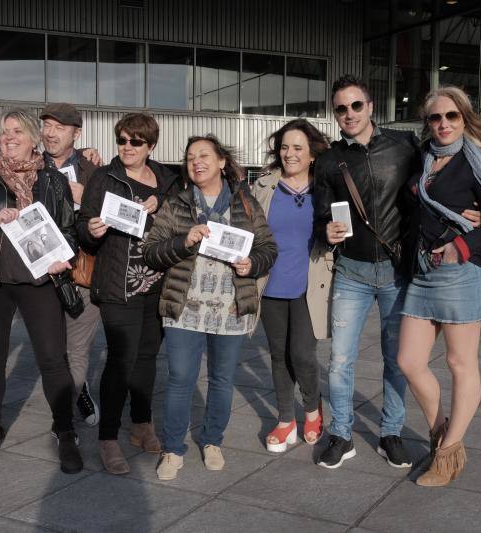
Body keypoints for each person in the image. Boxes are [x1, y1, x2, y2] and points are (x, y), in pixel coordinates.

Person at [396, 86, 481, 487]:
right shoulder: (421, 158)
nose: (444, 124)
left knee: (459, 363)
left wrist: (462, 244)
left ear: (464, 119)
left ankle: (449, 454)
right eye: (436, 118)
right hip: (422, 271)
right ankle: (441, 432)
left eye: (452, 116)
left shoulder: (477, 161)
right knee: (409, 362)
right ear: (427, 123)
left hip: (460, 271)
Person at [0, 109, 83, 474]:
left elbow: (70, 230)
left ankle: (65, 431)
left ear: (33, 138)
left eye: (17, 131)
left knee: (53, 360)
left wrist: (62, 257)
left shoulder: (53, 181)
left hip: (40, 282)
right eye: (5, 131)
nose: (8, 137)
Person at [144, 135, 277, 480]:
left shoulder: (245, 202)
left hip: (231, 308)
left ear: (222, 161)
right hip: (184, 307)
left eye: (204, 155)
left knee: (221, 380)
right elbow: (151, 251)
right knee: (180, 380)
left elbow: (268, 247)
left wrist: (253, 264)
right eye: (190, 158)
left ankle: (212, 440)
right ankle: (173, 449)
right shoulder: (176, 204)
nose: (196, 162)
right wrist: (182, 241)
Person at [0, 102, 103, 429]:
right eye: (47, 126)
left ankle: (68, 414)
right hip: (26, 275)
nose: (52, 133)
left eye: (61, 127)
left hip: (78, 270)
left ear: (76, 134)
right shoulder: (13, 168)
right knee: (43, 353)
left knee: (75, 352)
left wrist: (85, 195)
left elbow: (103, 215)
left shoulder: (91, 167)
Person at [311, 75, 421, 470]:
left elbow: (436, 184)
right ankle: (341, 434)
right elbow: (319, 213)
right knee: (340, 360)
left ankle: (391, 432)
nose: (349, 114)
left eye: (356, 105)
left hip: (395, 271)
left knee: (397, 358)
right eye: (341, 108)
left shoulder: (405, 145)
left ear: (371, 106)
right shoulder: (328, 160)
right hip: (352, 272)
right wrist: (325, 228)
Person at [76, 112, 180, 474]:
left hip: (159, 283)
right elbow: (82, 225)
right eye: (122, 140)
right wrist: (90, 228)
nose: (128, 147)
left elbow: (183, 217)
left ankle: (140, 423)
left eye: (136, 141)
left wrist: (161, 206)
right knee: (122, 358)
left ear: (151, 145)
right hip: (119, 282)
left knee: (148, 357)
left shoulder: (167, 179)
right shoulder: (104, 177)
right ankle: (107, 438)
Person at [252, 119, 333, 452]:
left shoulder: (325, 187)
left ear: (312, 153)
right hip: (270, 285)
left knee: (301, 354)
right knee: (277, 356)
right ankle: (286, 420)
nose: (290, 153)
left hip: (309, 285)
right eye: (285, 147)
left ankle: (313, 410)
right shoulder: (264, 186)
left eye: (298, 147)